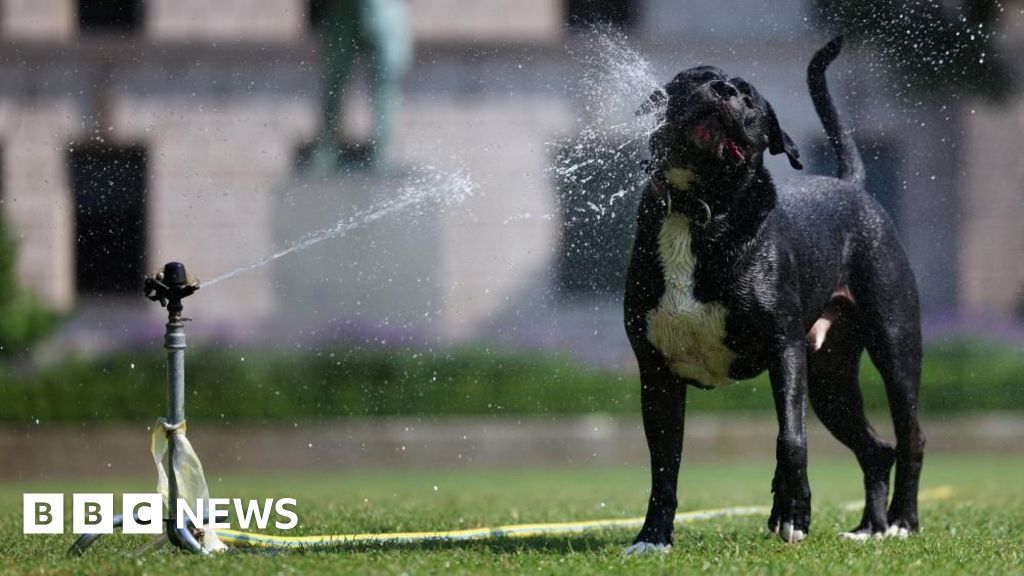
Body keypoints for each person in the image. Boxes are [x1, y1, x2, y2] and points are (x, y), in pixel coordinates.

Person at [311, 0, 412, 172]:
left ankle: (382, 152)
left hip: (383, 10)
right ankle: (327, 149)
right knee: (335, 81)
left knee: (385, 79)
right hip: (343, 10)